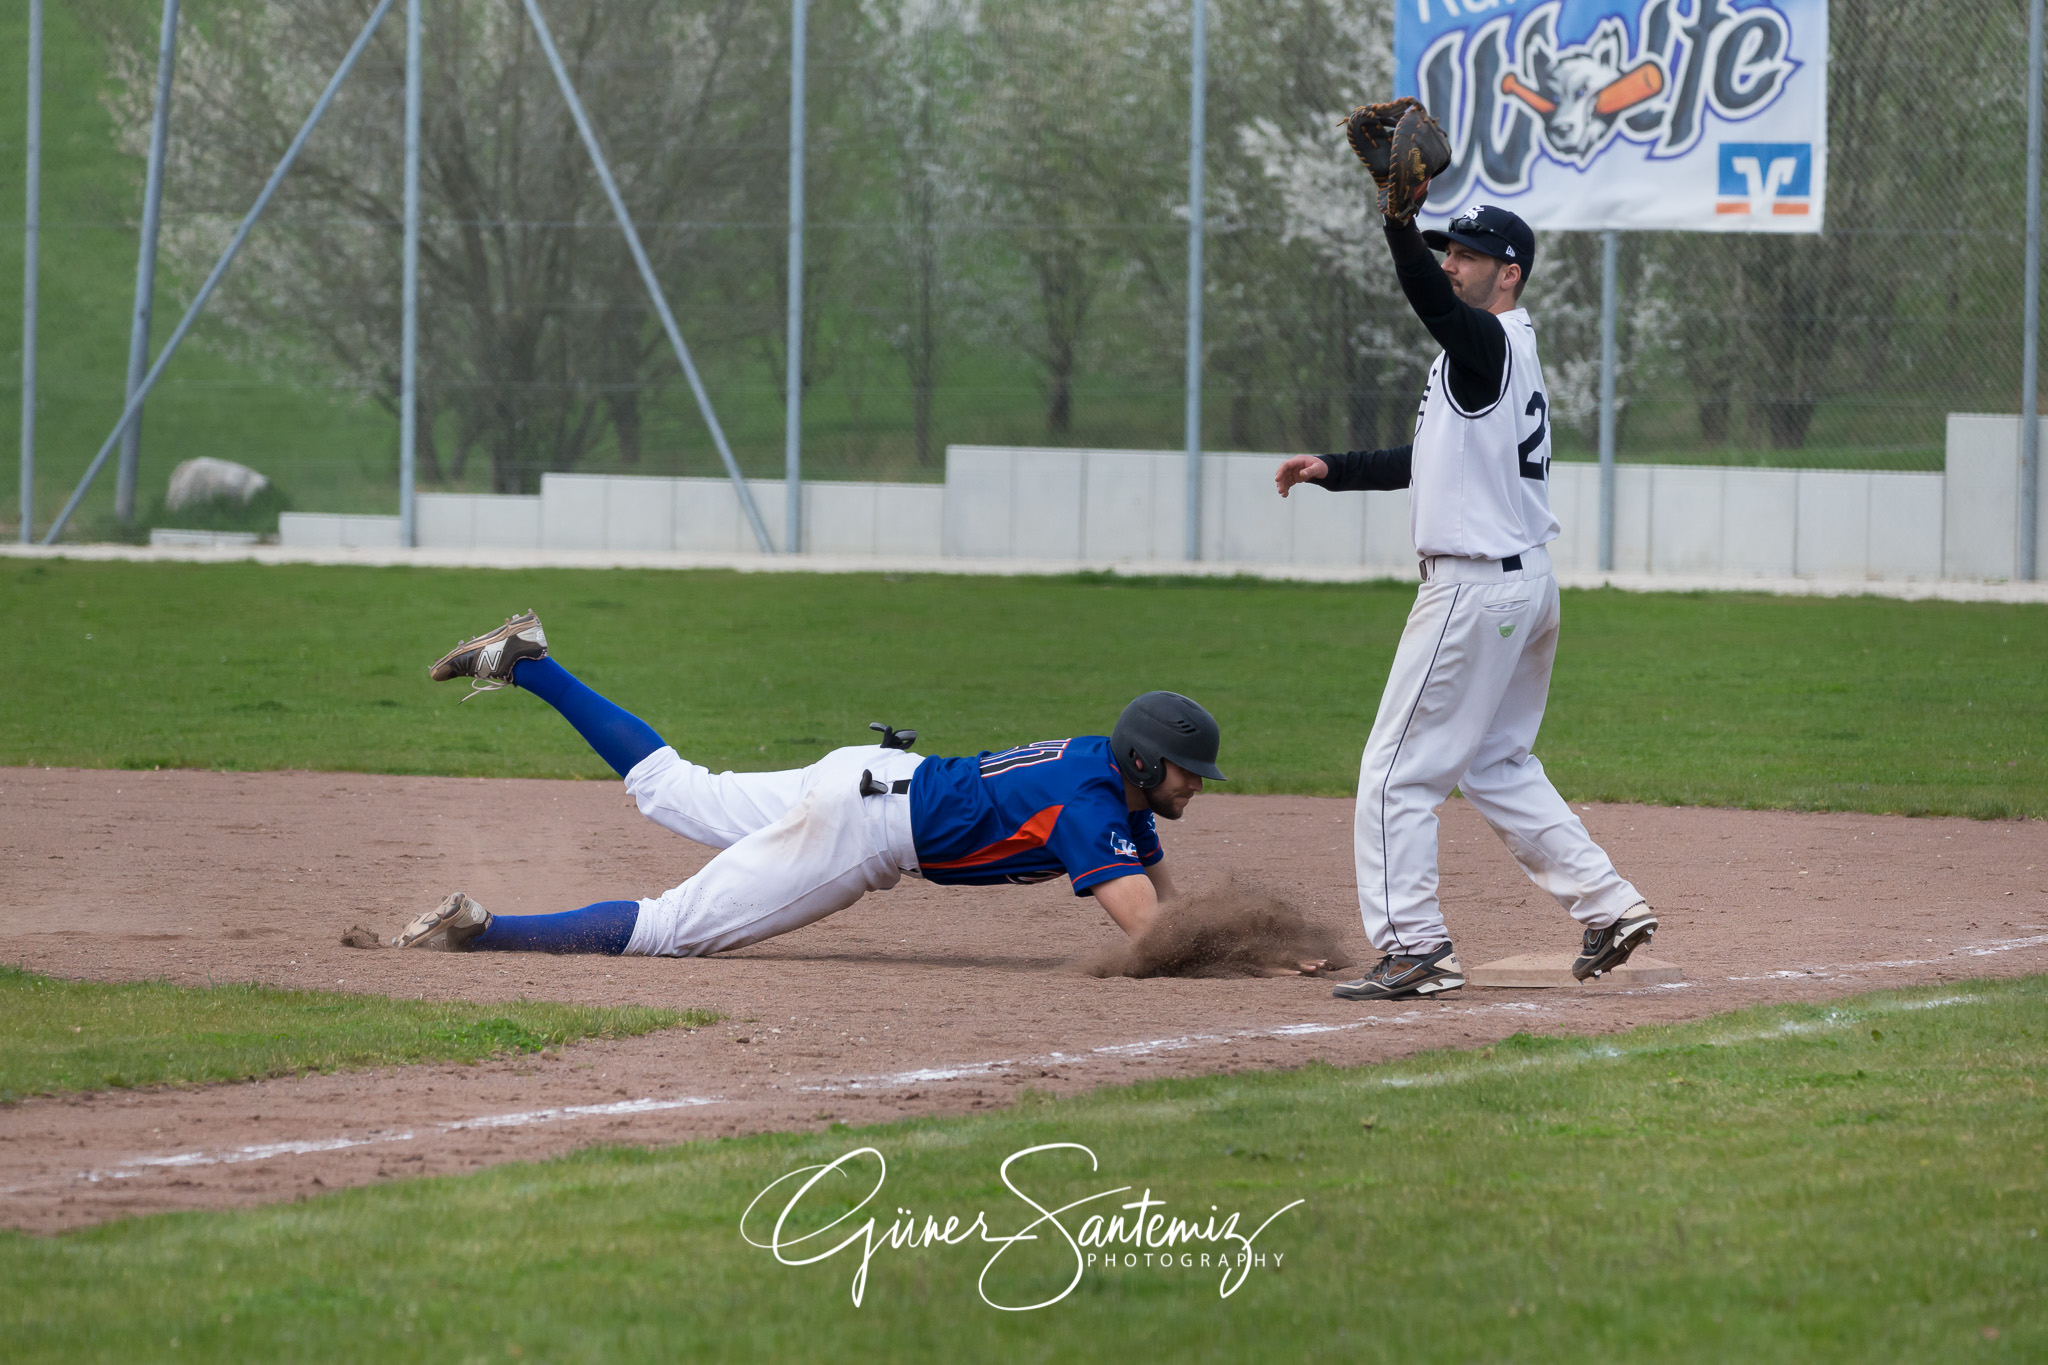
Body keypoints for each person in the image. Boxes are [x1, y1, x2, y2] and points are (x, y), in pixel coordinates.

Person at [1273, 202, 1655, 1001]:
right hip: (1524, 585)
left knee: (1393, 775)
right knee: (1494, 762)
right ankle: (1609, 904)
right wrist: (1333, 467)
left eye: (1469, 254)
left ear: (1508, 273)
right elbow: (1431, 458)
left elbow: (1432, 304)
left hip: (1475, 589)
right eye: (1446, 248)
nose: (1450, 262)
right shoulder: (1497, 355)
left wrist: (1395, 223)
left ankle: (1415, 947)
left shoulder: (1483, 343)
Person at [388, 612, 1223, 958]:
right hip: (859, 832)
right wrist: (1237, 958)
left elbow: (1166, 897)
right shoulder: (1089, 809)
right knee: (673, 930)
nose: (1198, 786)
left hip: (865, 775)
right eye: (1190, 772)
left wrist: (1251, 945)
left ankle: (531, 662)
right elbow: (1152, 932)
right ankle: (478, 933)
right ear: (1146, 763)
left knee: (675, 787)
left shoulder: (1103, 774)